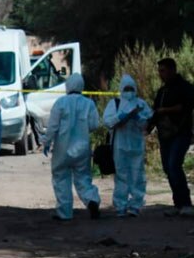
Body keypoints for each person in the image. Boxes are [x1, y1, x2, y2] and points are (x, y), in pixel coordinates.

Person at [40, 73, 101, 221]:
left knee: (61, 178)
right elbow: (94, 125)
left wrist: (46, 142)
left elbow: (53, 126)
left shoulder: (60, 103)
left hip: (62, 148)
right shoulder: (89, 104)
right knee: (83, 178)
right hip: (82, 147)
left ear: (67, 86)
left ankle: (65, 212)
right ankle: (91, 199)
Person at [150, 58, 194, 216]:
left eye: (163, 70)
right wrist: (146, 127)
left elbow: (186, 107)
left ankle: (186, 204)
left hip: (181, 133)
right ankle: (178, 204)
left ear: (172, 70)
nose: (160, 74)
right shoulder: (162, 92)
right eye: (159, 71)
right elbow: (154, 113)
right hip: (165, 135)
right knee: (168, 168)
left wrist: (165, 111)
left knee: (174, 165)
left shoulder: (186, 88)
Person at [102, 74, 154, 217]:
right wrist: (122, 116)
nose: (129, 91)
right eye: (126, 88)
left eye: (131, 88)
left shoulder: (141, 104)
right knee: (121, 174)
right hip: (120, 144)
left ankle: (136, 204)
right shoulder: (115, 103)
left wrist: (137, 117)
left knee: (138, 175)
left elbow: (147, 124)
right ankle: (121, 205)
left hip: (137, 145)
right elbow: (107, 122)